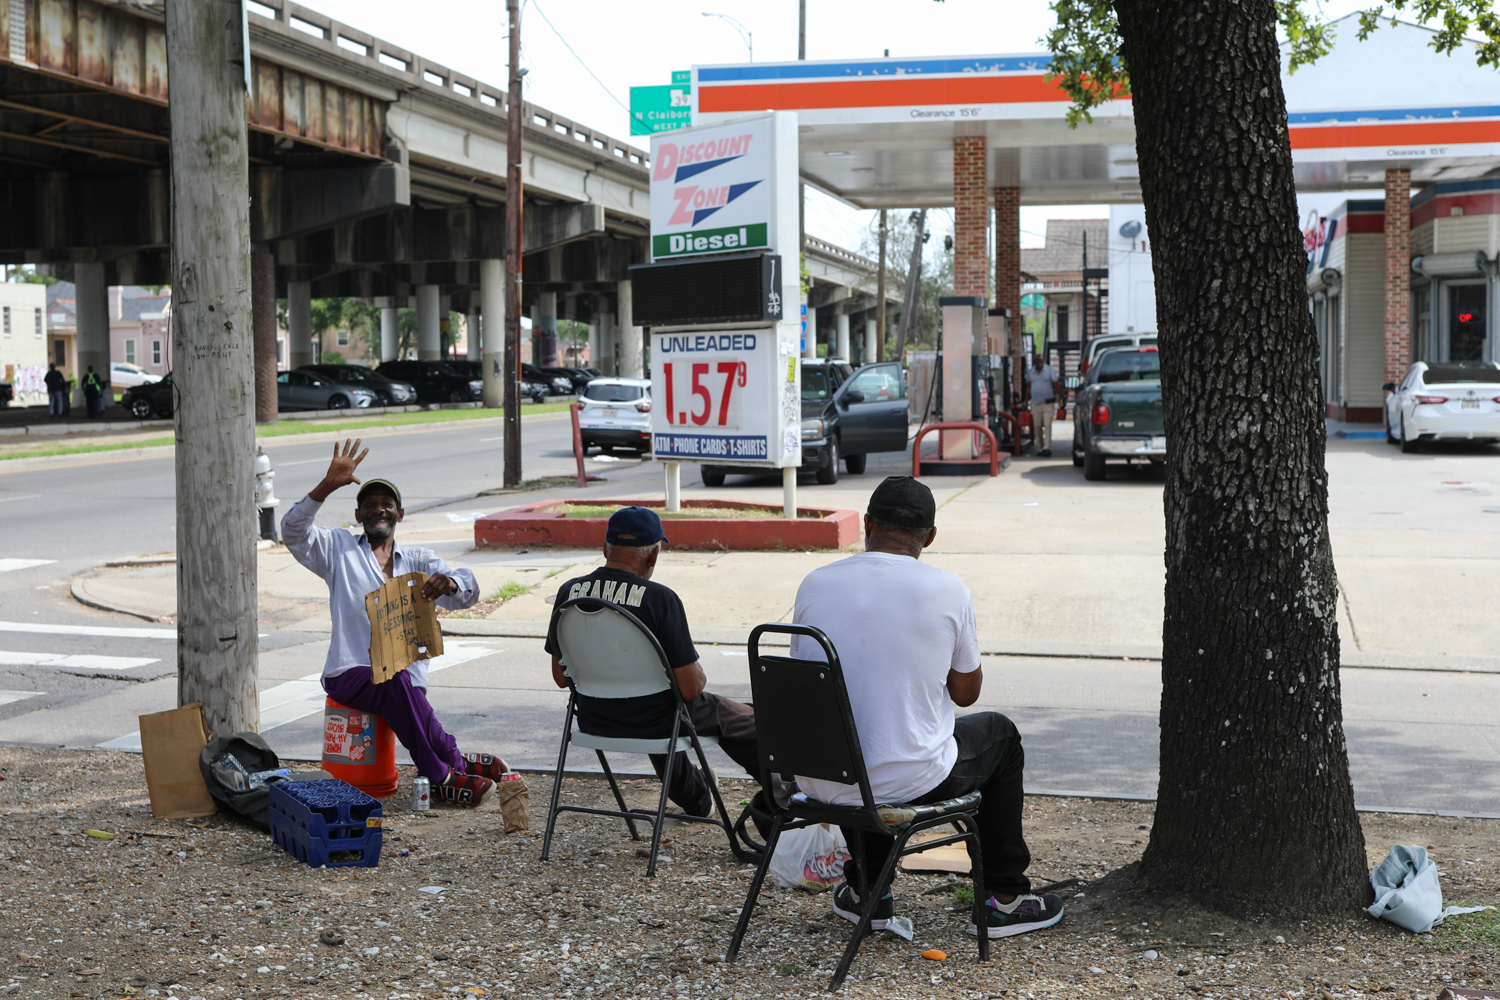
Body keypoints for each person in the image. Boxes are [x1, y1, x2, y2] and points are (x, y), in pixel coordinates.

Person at [791, 476, 1063, 939]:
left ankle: (867, 891)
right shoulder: (948, 589)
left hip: (821, 776)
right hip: (902, 782)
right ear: (930, 536)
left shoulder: (815, 582)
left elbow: (808, 678)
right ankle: (1005, 898)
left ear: (869, 523)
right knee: (999, 735)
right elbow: (966, 694)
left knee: (873, 737)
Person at [282, 438, 506, 807]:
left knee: (403, 685)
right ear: (358, 515)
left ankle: (455, 763)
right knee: (393, 678)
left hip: (404, 680)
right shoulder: (339, 550)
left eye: (386, 504)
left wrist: (451, 582)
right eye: (369, 505)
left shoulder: (417, 559)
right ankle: (442, 775)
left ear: (399, 514)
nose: (378, 510)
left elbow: (468, 589)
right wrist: (326, 486)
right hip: (349, 672)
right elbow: (292, 531)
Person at [544, 506, 758, 819]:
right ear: (653, 555)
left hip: (594, 718)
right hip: (656, 719)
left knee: (661, 706)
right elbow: (691, 689)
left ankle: (698, 800)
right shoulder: (659, 599)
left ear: (605, 548)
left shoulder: (569, 593)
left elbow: (560, 677)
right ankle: (782, 802)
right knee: (747, 719)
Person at [1025, 353, 1062, 457]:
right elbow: (1029, 387)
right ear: (1035, 362)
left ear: (1044, 361)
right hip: (1035, 403)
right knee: (1037, 426)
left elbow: (1056, 385)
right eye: (1038, 361)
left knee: (1047, 425)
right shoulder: (1031, 372)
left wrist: (1061, 397)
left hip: (1047, 403)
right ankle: (1040, 448)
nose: (1039, 363)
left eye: (1041, 361)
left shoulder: (1050, 370)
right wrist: (1026, 401)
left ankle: (1046, 447)